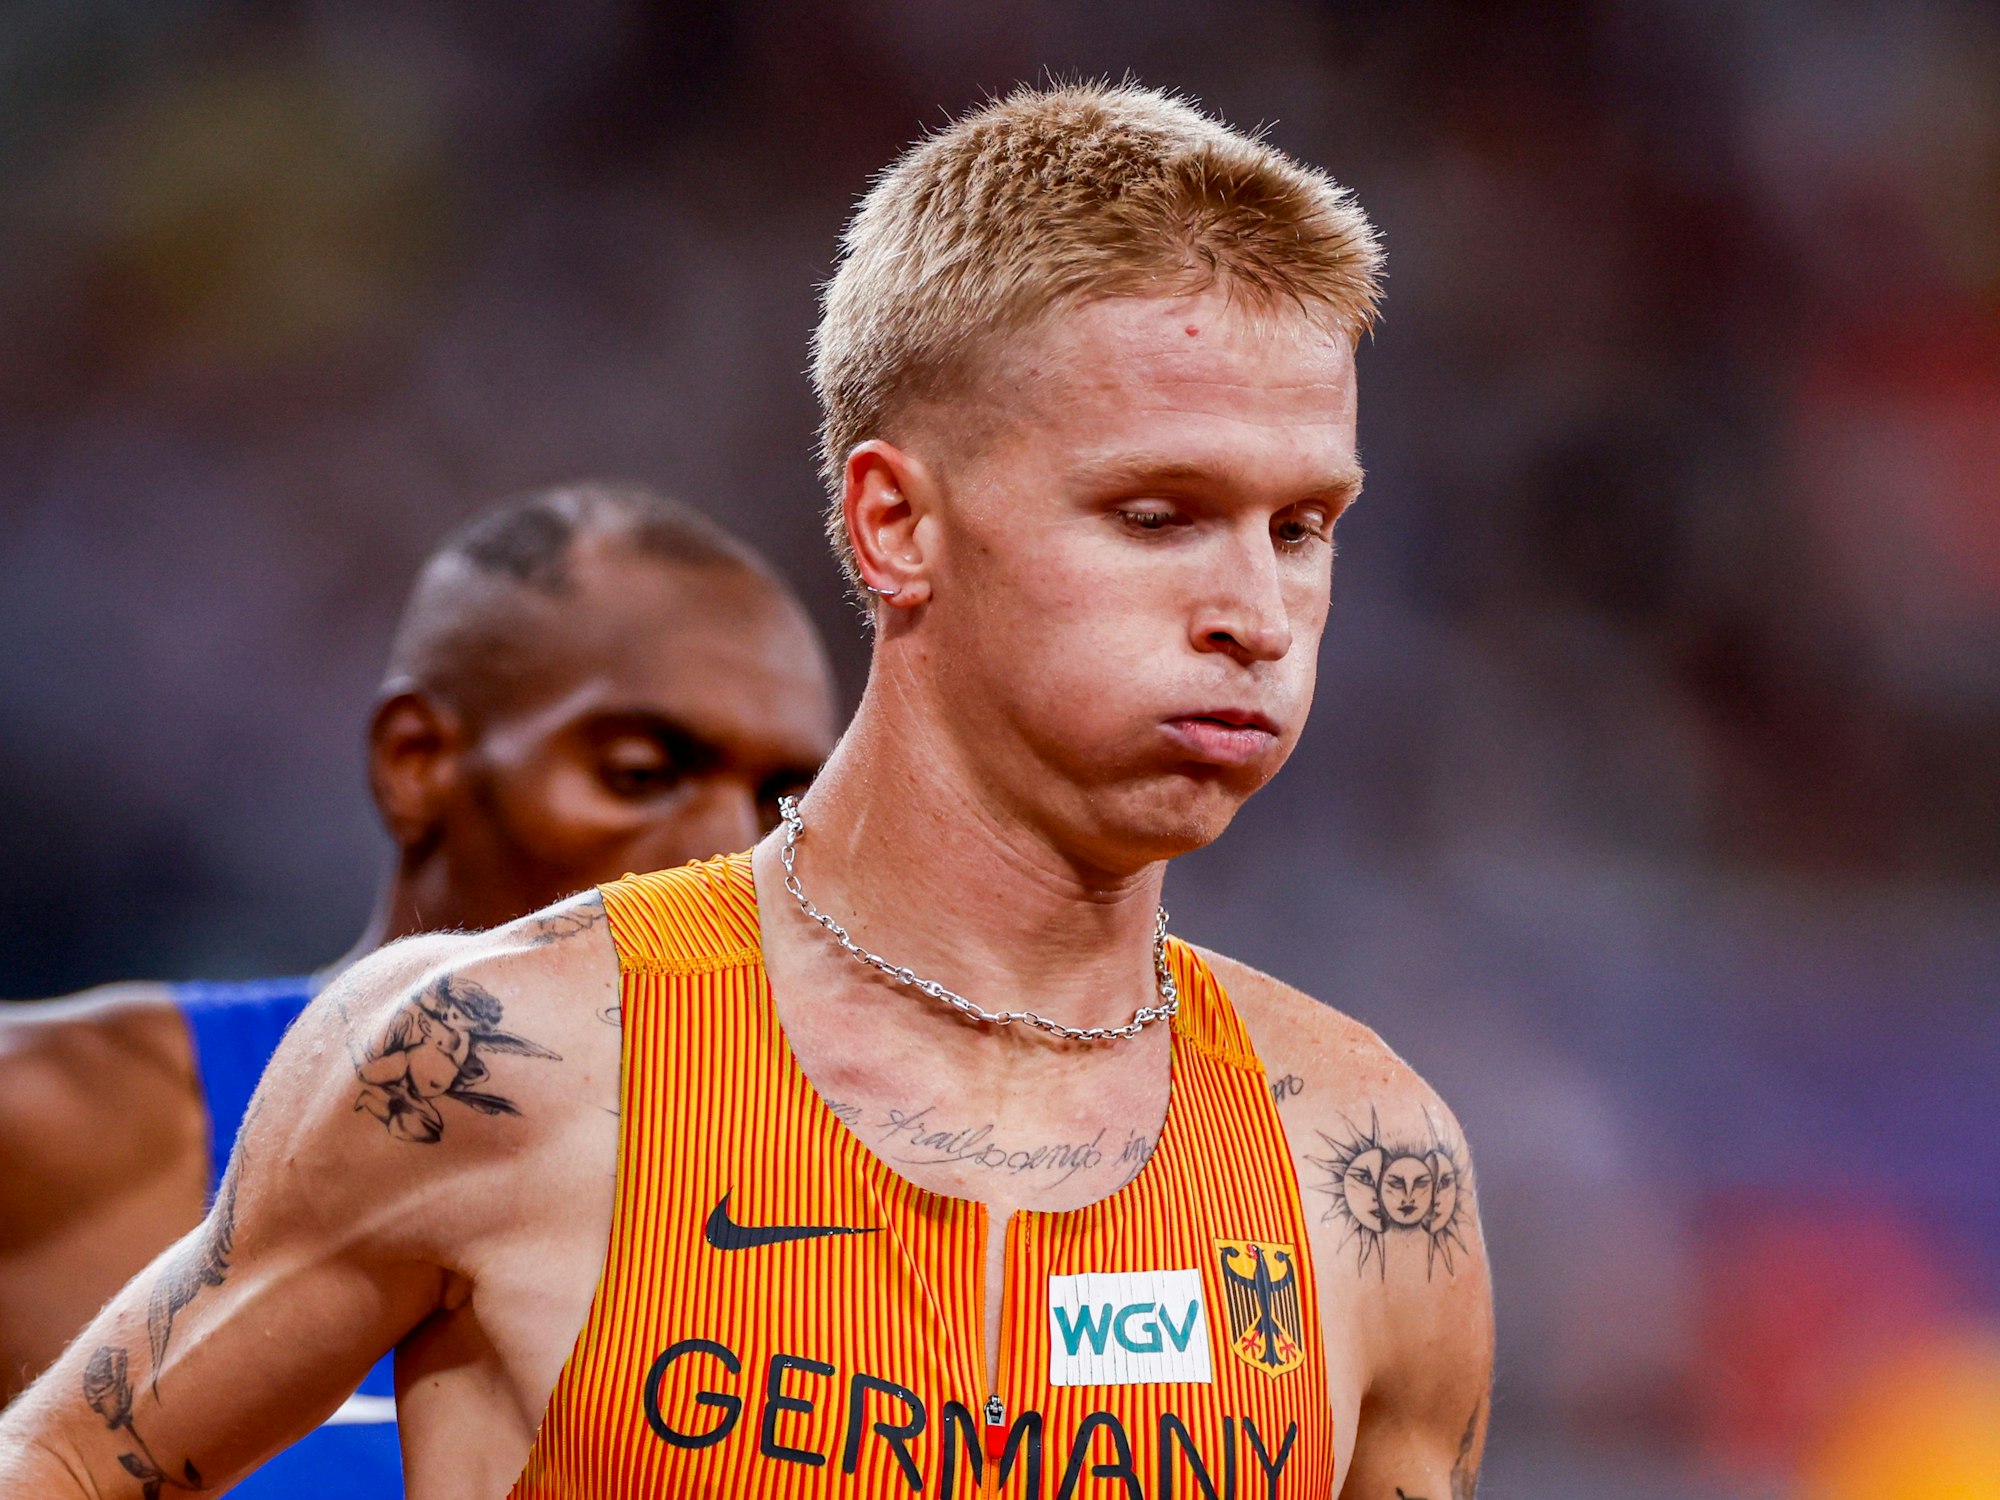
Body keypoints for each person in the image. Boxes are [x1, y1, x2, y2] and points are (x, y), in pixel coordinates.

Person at [0, 82, 1494, 1499]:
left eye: (1303, 525)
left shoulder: (1363, 1164)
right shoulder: (506, 1063)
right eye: (1157, 515)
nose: (1256, 608)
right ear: (896, 524)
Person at [0, 481, 838, 1496]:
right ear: (417, 762)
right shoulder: (58, 1130)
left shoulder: (822, 1222)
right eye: (639, 772)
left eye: (781, 804)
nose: (725, 853)